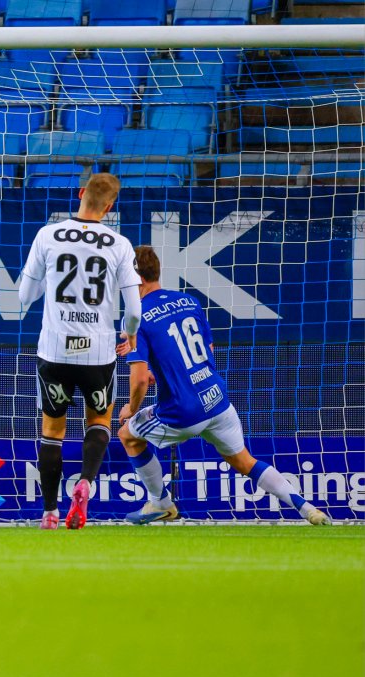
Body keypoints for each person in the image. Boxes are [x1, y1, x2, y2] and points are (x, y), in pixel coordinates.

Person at [118, 246, 330, 526]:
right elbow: (207, 350)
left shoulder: (137, 315)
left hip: (182, 410)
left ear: (137, 279)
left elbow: (140, 379)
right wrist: (169, 372)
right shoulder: (189, 301)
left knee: (128, 435)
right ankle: (307, 509)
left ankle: (161, 502)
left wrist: (131, 409)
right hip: (217, 399)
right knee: (244, 461)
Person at [18, 173, 142, 530]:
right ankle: (85, 482)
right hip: (98, 352)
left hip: (55, 349)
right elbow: (133, 311)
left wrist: (50, 279)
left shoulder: (47, 235)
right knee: (98, 421)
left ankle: (49, 512)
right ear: (110, 205)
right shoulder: (119, 243)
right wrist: (129, 336)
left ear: (81, 193)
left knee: (52, 431)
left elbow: (24, 297)